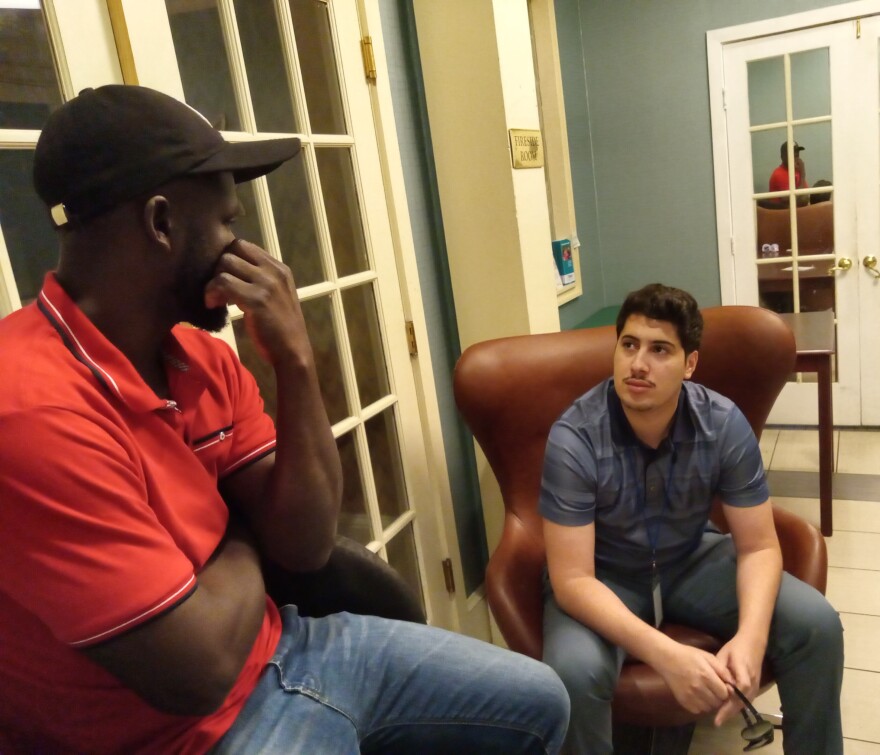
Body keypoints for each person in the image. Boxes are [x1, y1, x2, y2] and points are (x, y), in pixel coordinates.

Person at [0, 85, 570, 754]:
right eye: (227, 222)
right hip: (189, 737)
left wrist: (296, 363)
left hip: (290, 645)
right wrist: (242, 528)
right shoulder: (30, 408)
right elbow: (197, 671)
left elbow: (303, 544)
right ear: (161, 223)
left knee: (540, 702)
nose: (242, 245)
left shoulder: (199, 359)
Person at [539, 283, 843, 754]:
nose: (639, 364)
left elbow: (759, 546)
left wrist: (751, 638)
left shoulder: (721, 423)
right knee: (573, 673)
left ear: (690, 364)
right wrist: (669, 656)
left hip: (690, 556)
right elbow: (572, 579)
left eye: (660, 350)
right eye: (629, 345)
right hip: (604, 574)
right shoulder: (574, 437)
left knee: (817, 625)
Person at [767, 141, 808, 207]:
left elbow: (805, 195)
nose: (796, 155)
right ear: (782, 157)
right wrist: (803, 174)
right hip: (783, 214)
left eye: (797, 152)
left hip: (797, 211)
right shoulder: (778, 174)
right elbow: (789, 200)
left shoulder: (796, 170)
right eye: (792, 152)